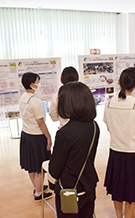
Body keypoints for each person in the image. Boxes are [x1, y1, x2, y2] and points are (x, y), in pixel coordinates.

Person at [103, 67, 135, 218]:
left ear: (118, 82)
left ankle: (119, 216)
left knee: (117, 189)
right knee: (132, 189)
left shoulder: (109, 103)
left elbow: (108, 126)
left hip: (116, 151)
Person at [49, 81, 100, 218]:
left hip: (69, 189)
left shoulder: (65, 132)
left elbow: (55, 167)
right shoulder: (94, 126)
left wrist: (51, 182)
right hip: (88, 185)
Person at [19, 72, 53, 202]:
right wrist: (49, 136)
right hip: (37, 137)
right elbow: (41, 122)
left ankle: (37, 187)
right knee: (40, 167)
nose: (39, 84)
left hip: (26, 135)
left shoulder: (23, 98)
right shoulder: (36, 102)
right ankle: (38, 194)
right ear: (32, 84)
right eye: (38, 81)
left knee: (32, 166)